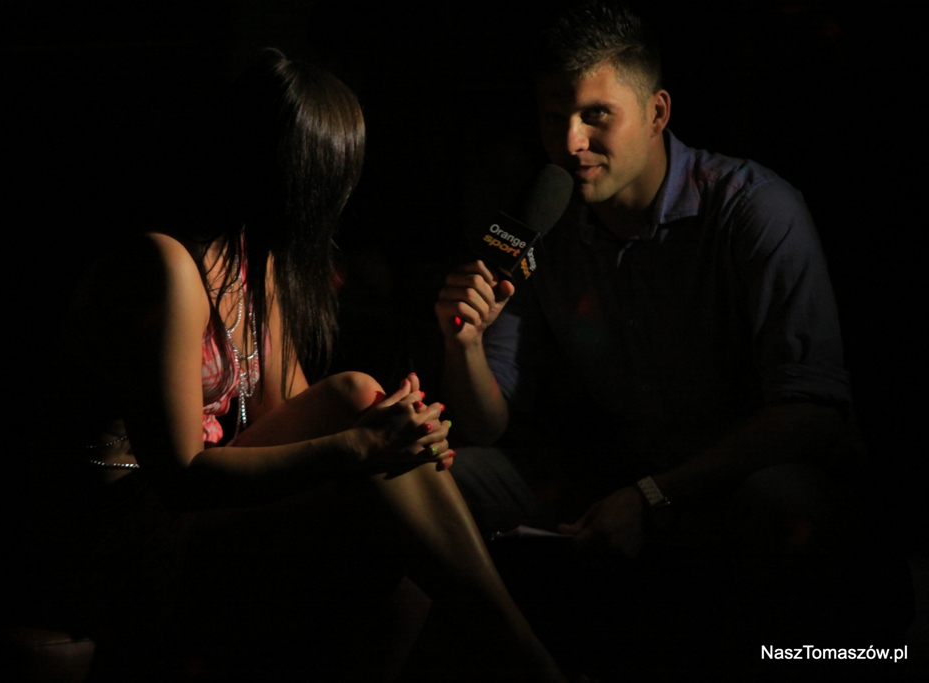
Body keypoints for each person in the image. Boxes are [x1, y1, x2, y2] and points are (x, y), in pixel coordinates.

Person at [34, 49, 567, 682]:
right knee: (373, 475)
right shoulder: (167, 265)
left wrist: (400, 433)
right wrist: (360, 446)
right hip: (128, 539)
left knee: (369, 420)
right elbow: (180, 478)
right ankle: (531, 662)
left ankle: (526, 658)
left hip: (200, 521)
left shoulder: (254, 262)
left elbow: (297, 417)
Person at [435, 0, 901, 672]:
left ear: (657, 113)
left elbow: (812, 413)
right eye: (553, 117)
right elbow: (486, 422)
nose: (571, 141)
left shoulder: (754, 209)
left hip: (740, 482)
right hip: (626, 477)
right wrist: (464, 344)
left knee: (779, 501)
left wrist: (653, 495)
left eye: (596, 115)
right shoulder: (545, 226)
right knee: (442, 478)